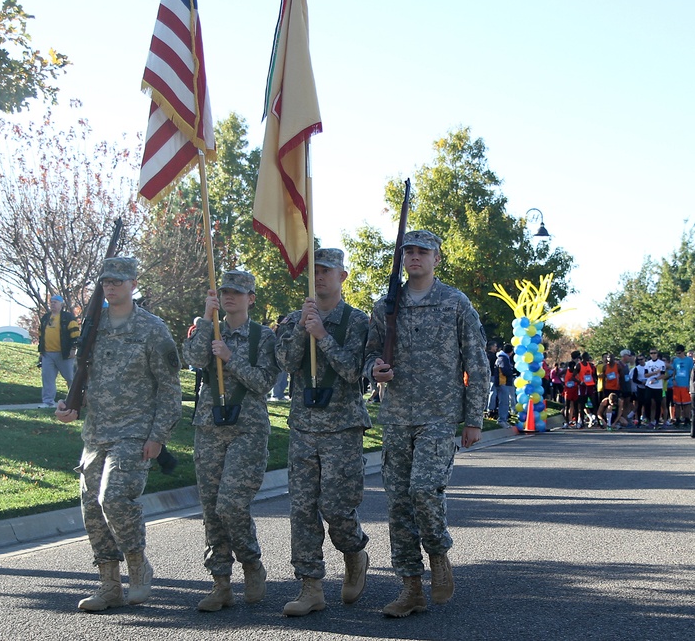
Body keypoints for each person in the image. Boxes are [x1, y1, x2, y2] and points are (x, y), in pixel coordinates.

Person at [364, 229, 489, 618]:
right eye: (408, 251)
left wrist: (474, 420)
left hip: (439, 414)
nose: (414, 257)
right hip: (397, 415)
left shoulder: (454, 303)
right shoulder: (387, 304)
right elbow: (369, 353)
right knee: (398, 504)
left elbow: (477, 362)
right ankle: (410, 587)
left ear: (437, 258)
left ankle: (438, 553)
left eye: (422, 251)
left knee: (423, 490)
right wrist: (375, 369)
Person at [54, 257, 182, 612]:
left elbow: (170, 389)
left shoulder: (152, 328)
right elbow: (83, 377)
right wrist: (69, 406)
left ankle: (139, 568)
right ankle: (109, 584)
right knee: (92, 509)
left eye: (118, 281)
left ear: (133, 283)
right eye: (106, 281)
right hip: (96, 433)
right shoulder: (93, 327)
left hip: (134, 433)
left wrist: (158, 435)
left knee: (114, 498)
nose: (111, 287)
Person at [274, 248, 372, 616]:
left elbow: (352, 372)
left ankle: (354, 551)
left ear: (342, 277)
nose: (320, 277)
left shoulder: (359, 322)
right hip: (303, 426)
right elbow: (283, 363)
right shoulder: (294, 320)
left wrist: (323, 335)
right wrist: (303, 328)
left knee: (337, 507)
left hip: (342, 427)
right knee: (301, 510)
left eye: (327, 271)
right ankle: (310, 586)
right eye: (314, 271)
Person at [182, 270, 278, 611]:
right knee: (211, 509)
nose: (229, 297)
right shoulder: (208, 329)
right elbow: (192, 360)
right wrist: (207, 321)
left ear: (251, 297)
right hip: (209, 427)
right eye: (224, 291)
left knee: (231, 504)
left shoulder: (263, 336)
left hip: (247, 430)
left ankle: (251, 562)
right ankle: (220, 582)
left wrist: (229, 358)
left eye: (237, 292)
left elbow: (264, 382)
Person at [38, 295, 80, 407]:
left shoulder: (68, 317)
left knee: (71, 378)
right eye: (51, 302)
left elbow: (75, 334)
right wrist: (41, 351)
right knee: (47, 379)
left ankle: (76, 400)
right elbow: (40, 335)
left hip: (64, 354)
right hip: (48, 354)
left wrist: (73, 349)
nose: (52, 304)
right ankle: (48, 402)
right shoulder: (45, 318)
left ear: (61, 304)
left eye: (55, 302)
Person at [643, 348, 666, 428]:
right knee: (647, 401)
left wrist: (656, 378)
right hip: (649, 385)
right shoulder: (647, 363)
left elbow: (663, 375)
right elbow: (645, 375)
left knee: (658, 403)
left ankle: (656, 420)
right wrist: (654, 373)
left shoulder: (661, 363)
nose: (653, 354)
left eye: (654, 353)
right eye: (651, 353)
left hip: (658, 386)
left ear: (657, 354)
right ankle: (649, 419)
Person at [670, 345, 693, 427]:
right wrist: (673, 379)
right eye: (676, 353)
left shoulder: (689, 360)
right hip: (677, 385)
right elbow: (674, 371)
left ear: (683, 352)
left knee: (687, 404)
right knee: (677, 404)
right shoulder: (676, 361)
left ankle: (687, 419)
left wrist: (691, 384)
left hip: (685, 384)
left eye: (679, 353)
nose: (678, 354)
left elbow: (691, 372)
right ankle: (678, 419)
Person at [495, 343, 516, 427]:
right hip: (502, 382)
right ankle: (501, 420)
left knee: (505, 402)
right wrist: (512, 372)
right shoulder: (503, 358)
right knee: (504, 402)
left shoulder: (503, 358)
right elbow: (504, 370)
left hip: (504, 382)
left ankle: (504, 419)